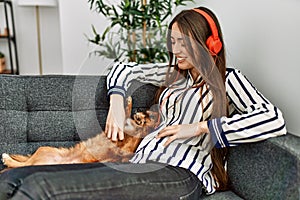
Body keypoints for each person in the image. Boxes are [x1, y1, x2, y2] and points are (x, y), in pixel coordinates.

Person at [0, 6, 286, 199]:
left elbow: (274, 119)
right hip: (137, 164)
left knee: (39, 187)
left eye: (183, 43)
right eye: (172, 42)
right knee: (16, 178)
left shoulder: (228, 80)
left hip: (179, 175)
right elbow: (124, 67)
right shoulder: (174, 74)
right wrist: (115, 101)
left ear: (209, 44)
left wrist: (200, 127)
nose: (175, 51)